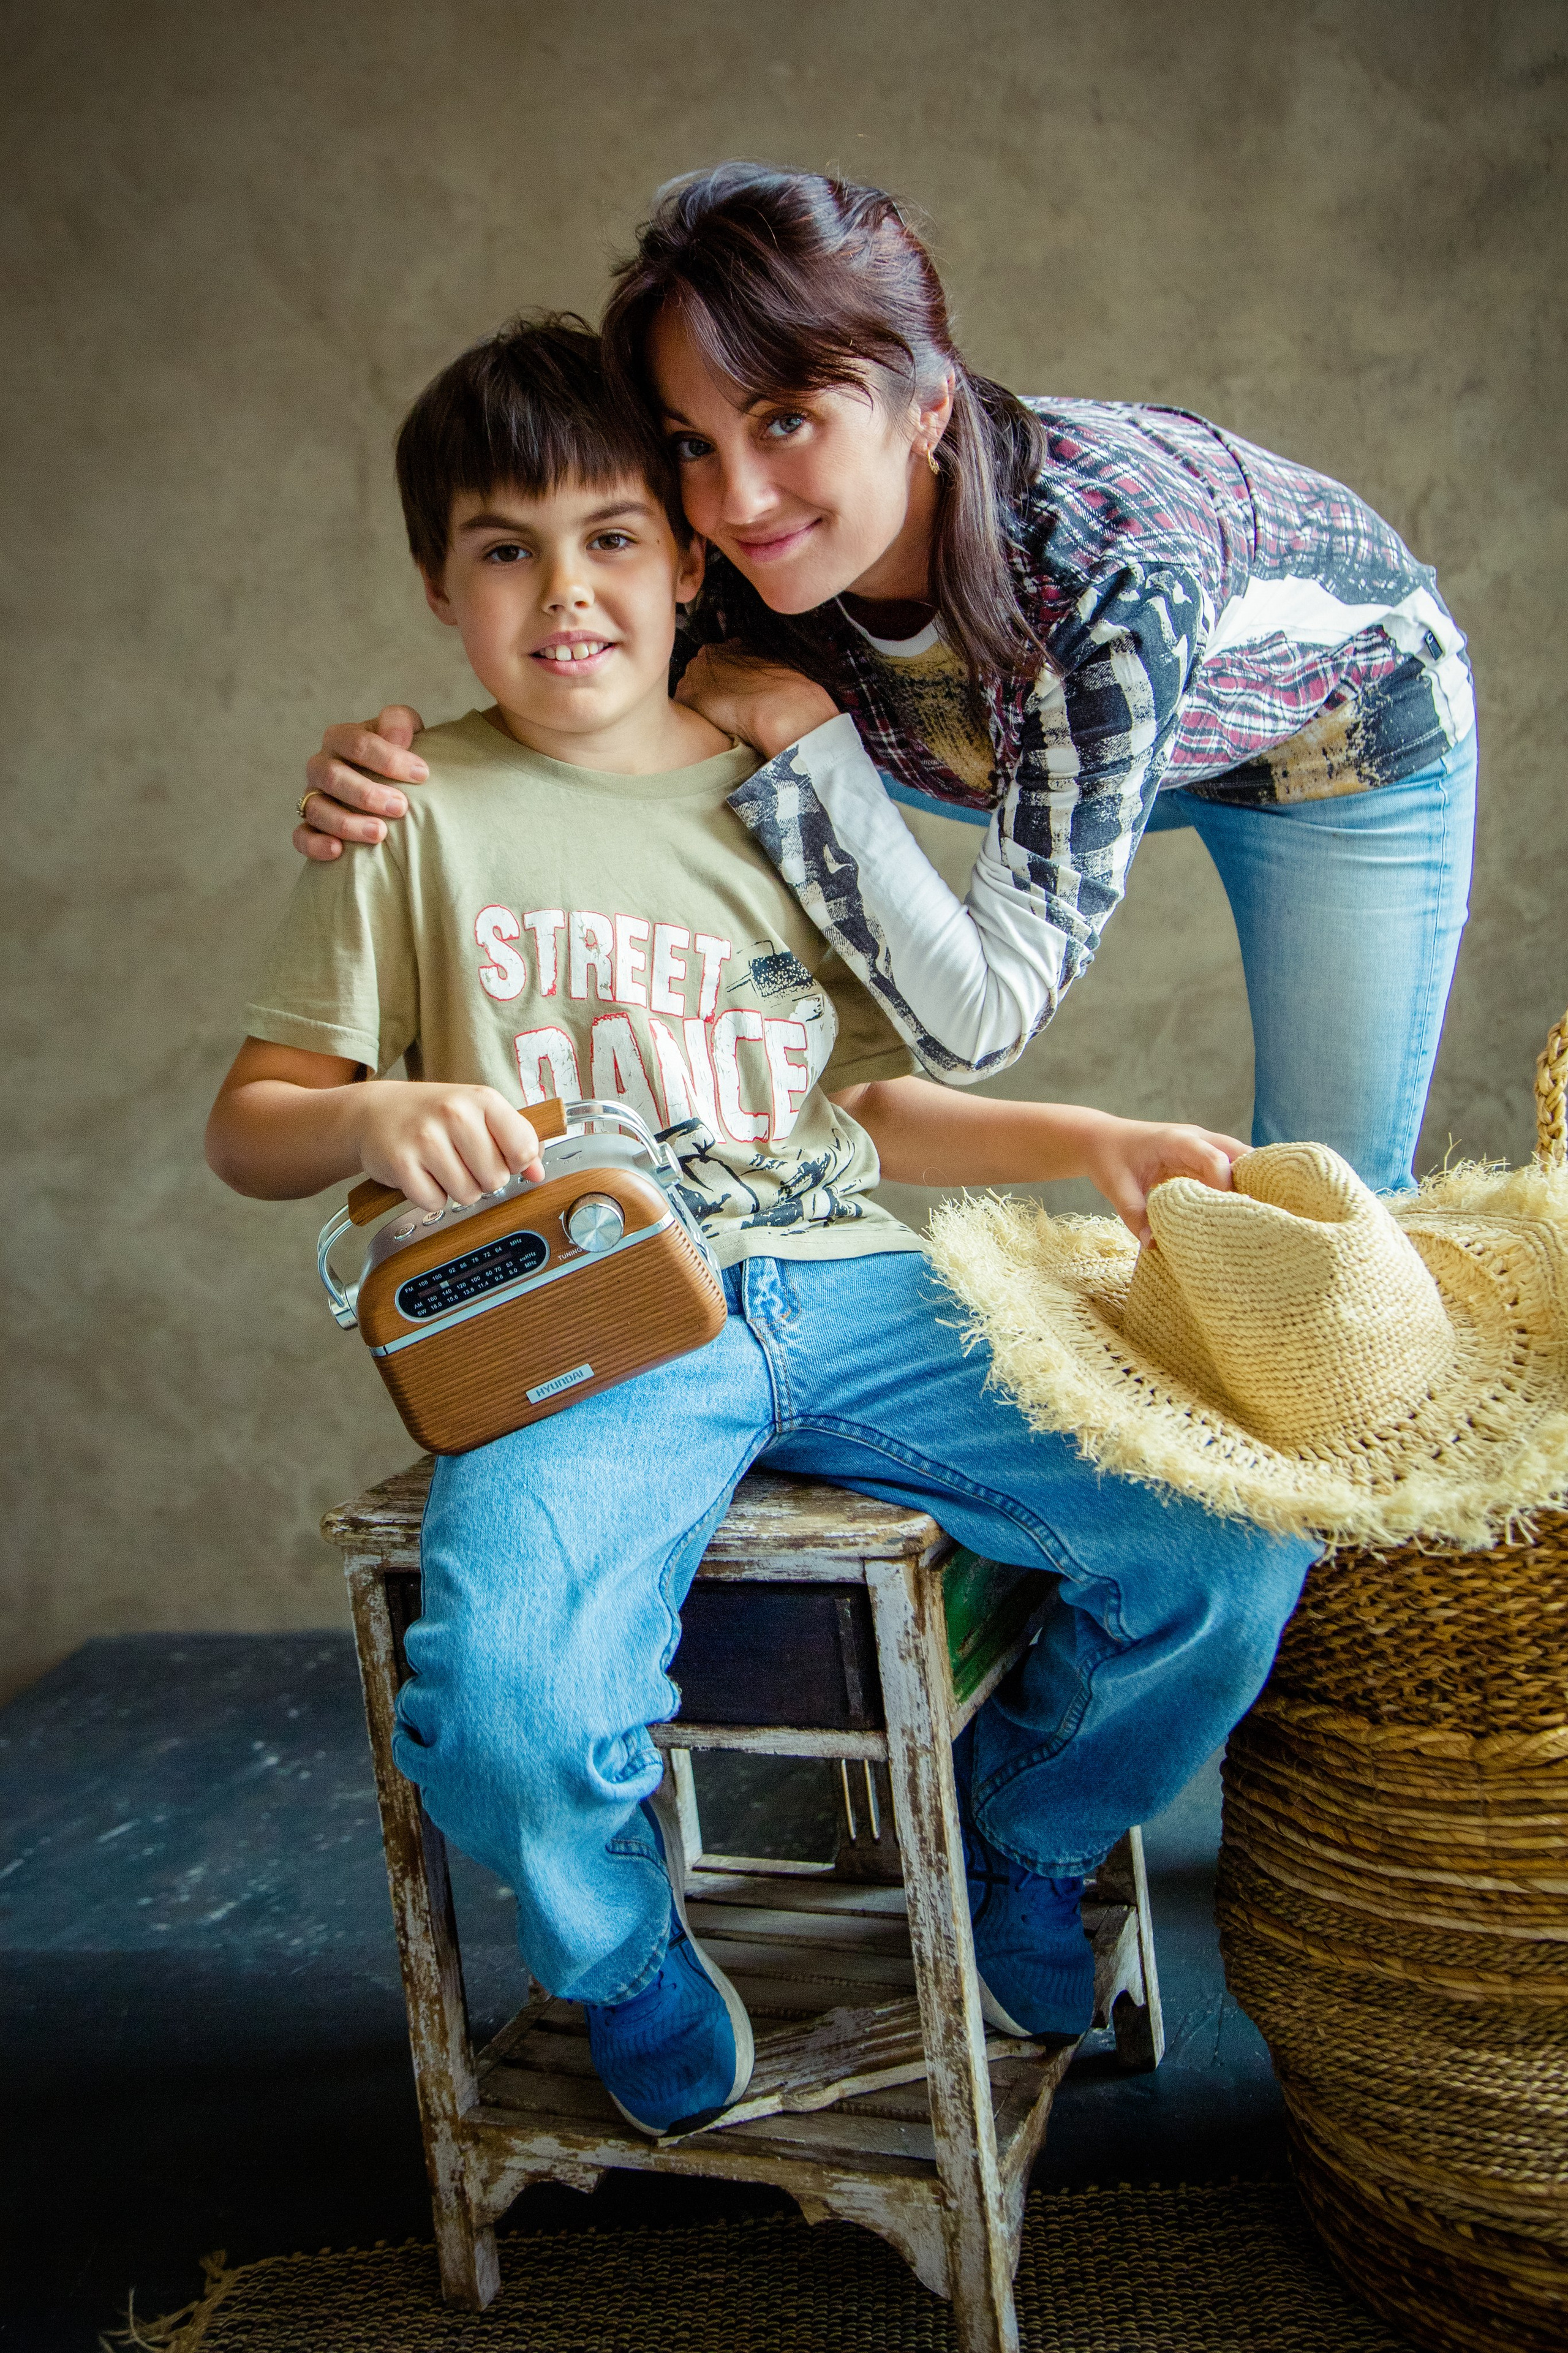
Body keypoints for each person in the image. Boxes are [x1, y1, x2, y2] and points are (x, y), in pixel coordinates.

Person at [209, 315, 1316, 2138]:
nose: (567, 592)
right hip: (594, 1326)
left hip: (844, 1285)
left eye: (615, 536)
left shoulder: (773, 791)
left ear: (693, 556)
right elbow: (252, 1126)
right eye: (507, 548)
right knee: (499, 1711)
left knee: (1224, 1535)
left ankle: (1022, 1835)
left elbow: (864, 1100)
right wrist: (379, 1110)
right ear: (440, 583)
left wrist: (1087, 1133)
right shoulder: (413, 813)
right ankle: (624, 1958)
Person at [295, 165, 1477, 1199]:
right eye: (693, 443)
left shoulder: (1110, 573)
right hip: (1002, 744)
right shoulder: (731, 551)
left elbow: (979, 1024)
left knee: (1337, 1198)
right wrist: (396, 773)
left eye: (788, 419)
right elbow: (576, 679)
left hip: (1336, 746)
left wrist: (809, 742)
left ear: (930, 404)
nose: (739, 500)